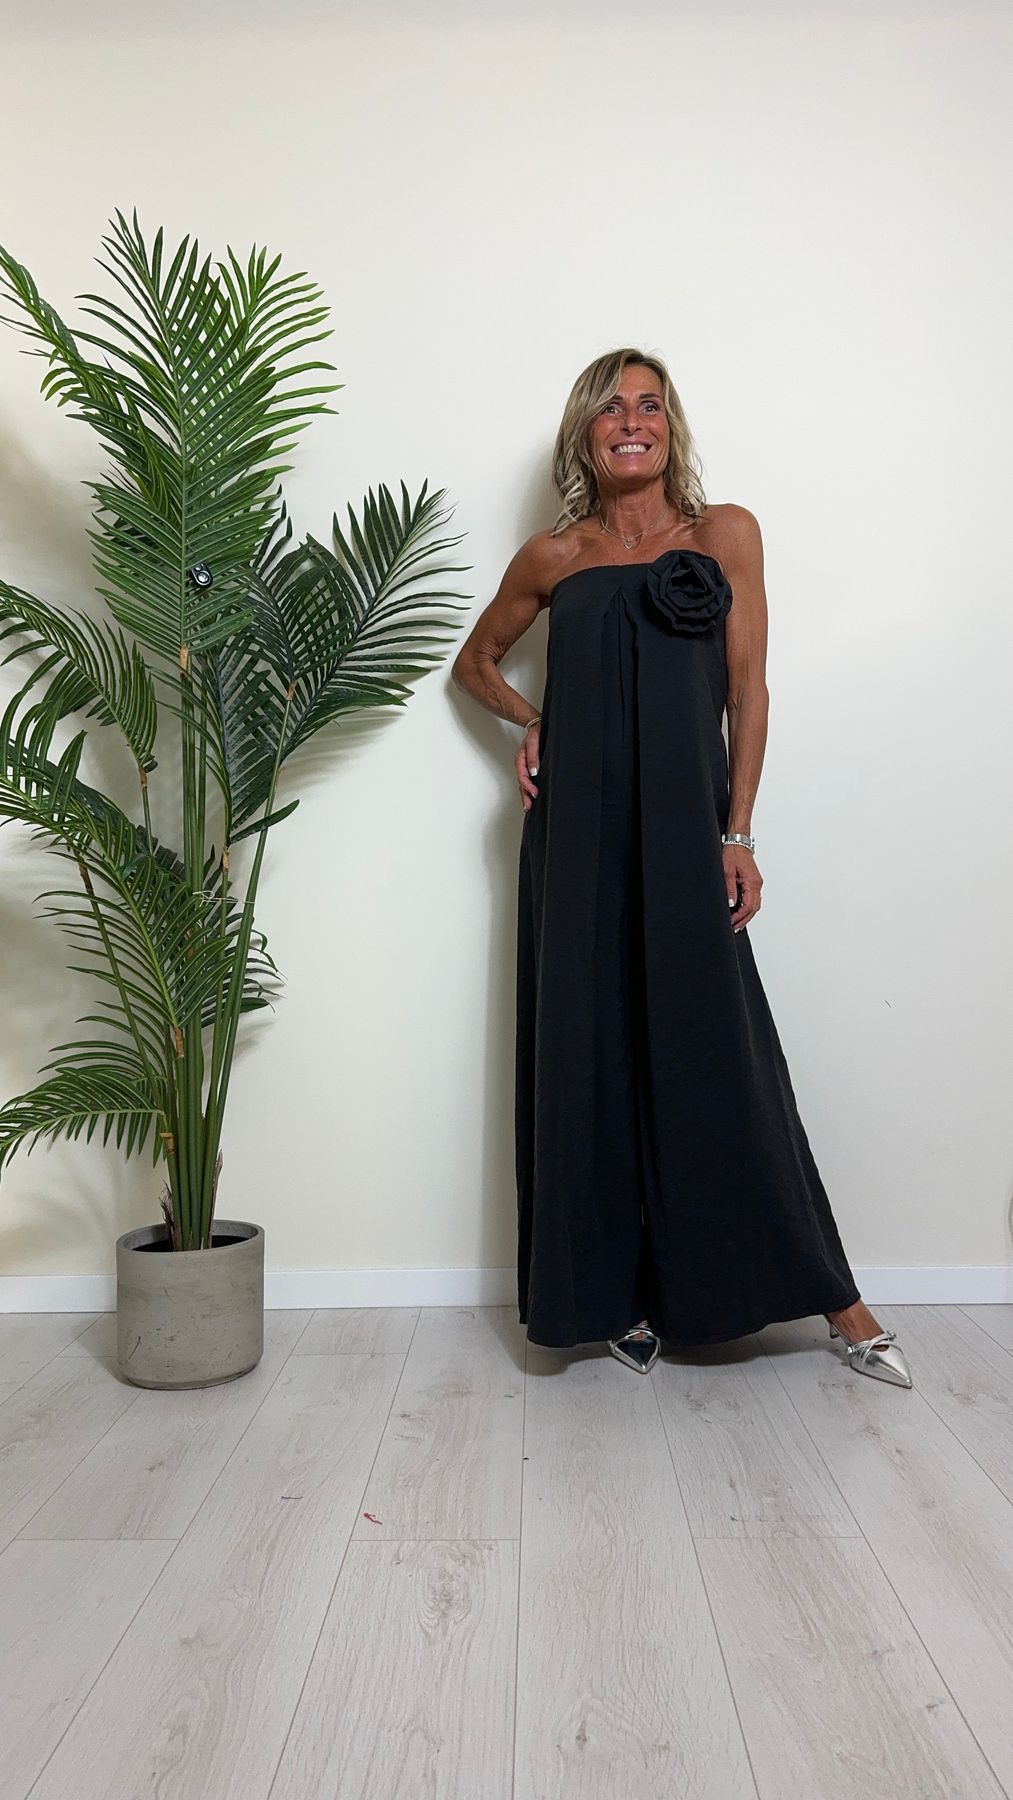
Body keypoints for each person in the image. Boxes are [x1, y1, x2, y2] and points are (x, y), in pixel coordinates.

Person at [451, 347, 912, 1390]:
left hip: (683, 829)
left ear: (670, 428)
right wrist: (533, 722)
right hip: (575, 836)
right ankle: (612, 1297)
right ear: (584, 433)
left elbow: (748, 691)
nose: (632, 421)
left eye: (649, 406)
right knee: (588, 1049)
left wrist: (735, 834)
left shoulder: (724, 534)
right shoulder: (552, 555)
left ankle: (834, 1299)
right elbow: (472, 662)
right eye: (611, 408)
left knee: (717, 1048)